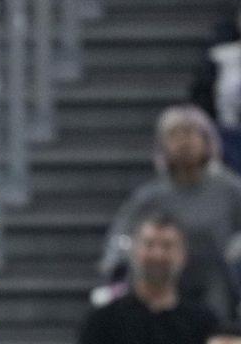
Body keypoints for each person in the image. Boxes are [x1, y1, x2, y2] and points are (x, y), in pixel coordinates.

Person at [100, 104, 241, 321]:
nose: (183, 142)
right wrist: (122, 260)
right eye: (174, 135)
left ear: (207, 142)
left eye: (190, 134)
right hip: (162, 278)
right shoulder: (149, 197)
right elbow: (121, 237)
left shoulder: (230, 189)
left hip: (217, 278)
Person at [80, 212, 219, 344]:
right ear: (134, 251)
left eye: (167, 246)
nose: (157, 255)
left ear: (182, 254)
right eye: (149, 244)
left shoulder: (204, 325)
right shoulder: (102, 323)